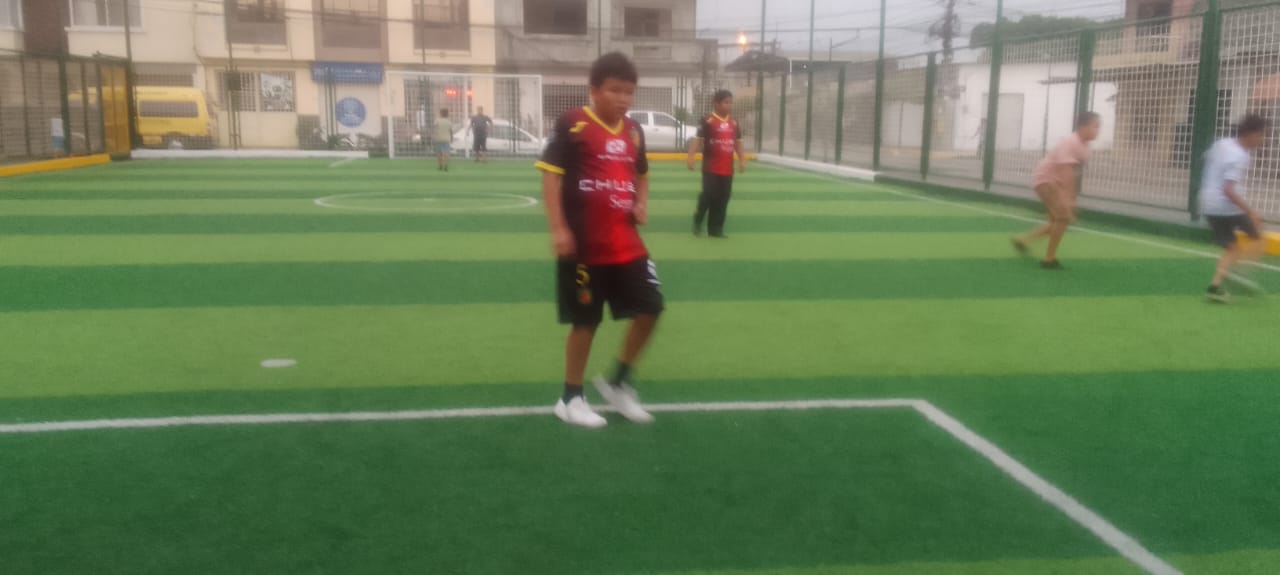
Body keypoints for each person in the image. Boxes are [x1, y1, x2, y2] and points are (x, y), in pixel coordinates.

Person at [535, 52, 662, 428]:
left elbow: (642, 173)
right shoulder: (573, 123)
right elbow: (550, 176)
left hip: (627, 243)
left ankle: (618, 383)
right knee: (585, 322)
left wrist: (641, 203)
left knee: (651, 308)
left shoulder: (634, 130)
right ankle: (570, 398)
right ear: (594, 90)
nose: (623, 98)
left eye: (629, 91)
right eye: (614, 90)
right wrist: (559, 228)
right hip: (584, 246)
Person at [1012, 112, 1102, 270]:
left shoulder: (1085, 147)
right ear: (1083, 127)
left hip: (1054, 182)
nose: (1098, 131)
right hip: (1047, 180)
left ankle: (1023, 240)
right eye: (1095, 126)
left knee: (1058, 220)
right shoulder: (1070, 143)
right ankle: (1049, 259)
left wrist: (1072, 197)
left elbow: (1076, 173)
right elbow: (1065, 173)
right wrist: (1068, 199)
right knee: (1063, 218)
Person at [1201, 114, 1270, 303]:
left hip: (1208, 204)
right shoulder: (1240, 156)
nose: (1263, 140)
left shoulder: (1222, 144)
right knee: (1258, 235)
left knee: (1232, 248)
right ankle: (1240, 274)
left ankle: (1214, 287)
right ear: (1251, 134)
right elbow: (1228, 190)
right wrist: (1251, 211)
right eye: (1262, 135)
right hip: (1227, 206)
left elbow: (1206, 157)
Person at [688, 90, 747, 238]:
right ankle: (698, 220)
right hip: (710, 168)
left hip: (727, 169)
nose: (729, 105)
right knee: (708, 195)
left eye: (730, 102)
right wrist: (691, 156)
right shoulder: (707, 120)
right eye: (726, 102)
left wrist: (742, 159)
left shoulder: (734, 122)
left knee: (723, 198)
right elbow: (698, 140)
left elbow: (738, 143)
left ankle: (716, 229)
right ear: (716, 104)